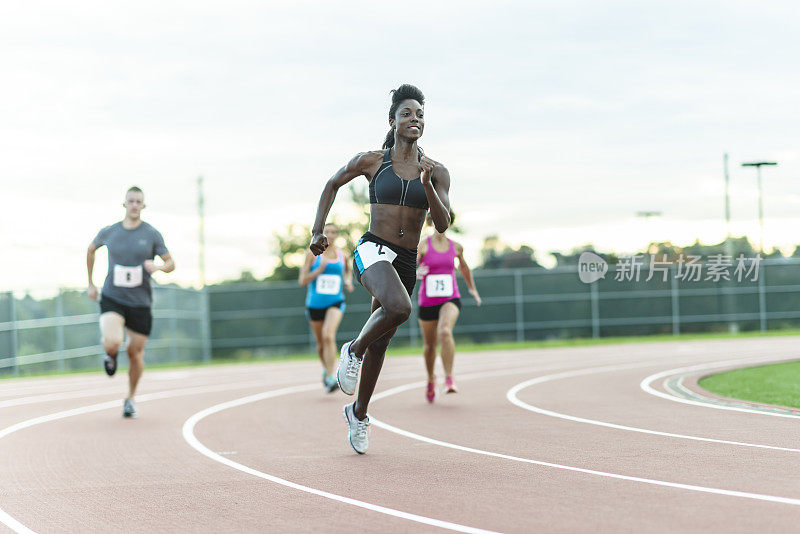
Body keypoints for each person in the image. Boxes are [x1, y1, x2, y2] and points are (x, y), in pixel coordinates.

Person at [309, 84, 451, 454]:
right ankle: (352, 350)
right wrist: (317, 230)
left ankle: (359, 413)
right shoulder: (372, 161)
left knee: (383, 341)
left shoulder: (436, 171)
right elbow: (331, 183)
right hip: (373, 248)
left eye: (420, 114)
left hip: (405, 259)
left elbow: (442, 223)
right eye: (407, 113)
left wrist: (428, 188)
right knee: (400, 309)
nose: (414, 119)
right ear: (393, 120)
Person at [86, 186, 174, 418]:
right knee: (113, 341)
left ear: (143, 206)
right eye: (131, 201)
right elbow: (91, 249)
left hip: (140, 303)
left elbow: (171, 262)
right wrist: (91, 283)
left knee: (135, 353)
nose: (135, 205)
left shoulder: (152, 234)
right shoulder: (111, 232)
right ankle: (111, 355)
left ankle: (131, 398)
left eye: (139, 201)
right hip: (113, 297)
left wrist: (159, 267)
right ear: (124, 204)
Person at [416, 210, 481, 403]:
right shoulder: (423, 245)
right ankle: (430, 378)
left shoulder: (457, 247)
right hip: (427, 301)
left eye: (444, 222)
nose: (440, 226)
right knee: (429, 346)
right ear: (430, 223)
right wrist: (418, 271)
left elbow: (464, 268)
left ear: (449, 223)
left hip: (450, 298)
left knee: (445, 332)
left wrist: (472, 289)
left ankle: (449, 378)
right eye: (436, 222)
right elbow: (411, 265)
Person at [299, 223, 354, 393]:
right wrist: (319, 271)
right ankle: (326, 370)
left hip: (335, 302)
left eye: (333, 232)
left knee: (328, 336)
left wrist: (347, 281)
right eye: (327, 232)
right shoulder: (312, 254)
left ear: (337, 235)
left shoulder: (342, 255)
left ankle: (331, 376)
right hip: (315, 305)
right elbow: (302, 281)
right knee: (321, 343)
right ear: (321, 235)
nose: (330, 235)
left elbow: (347, 272)